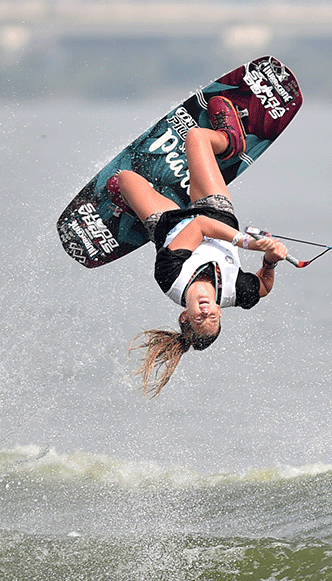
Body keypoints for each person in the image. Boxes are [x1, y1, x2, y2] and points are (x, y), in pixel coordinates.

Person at [108, 96, 289, 396]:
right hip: (214, 210)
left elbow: (198, 227)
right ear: (220, 310)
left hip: (169, 224)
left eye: (198, 319)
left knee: (122, 180)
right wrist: (270, 261)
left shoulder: (170, 278)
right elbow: (263, 287)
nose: (206, 313)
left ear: (184, 316)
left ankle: (135, 204)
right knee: (196, 136)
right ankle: (229, 142)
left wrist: (248, 243)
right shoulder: (237, 292)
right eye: (213, 317)